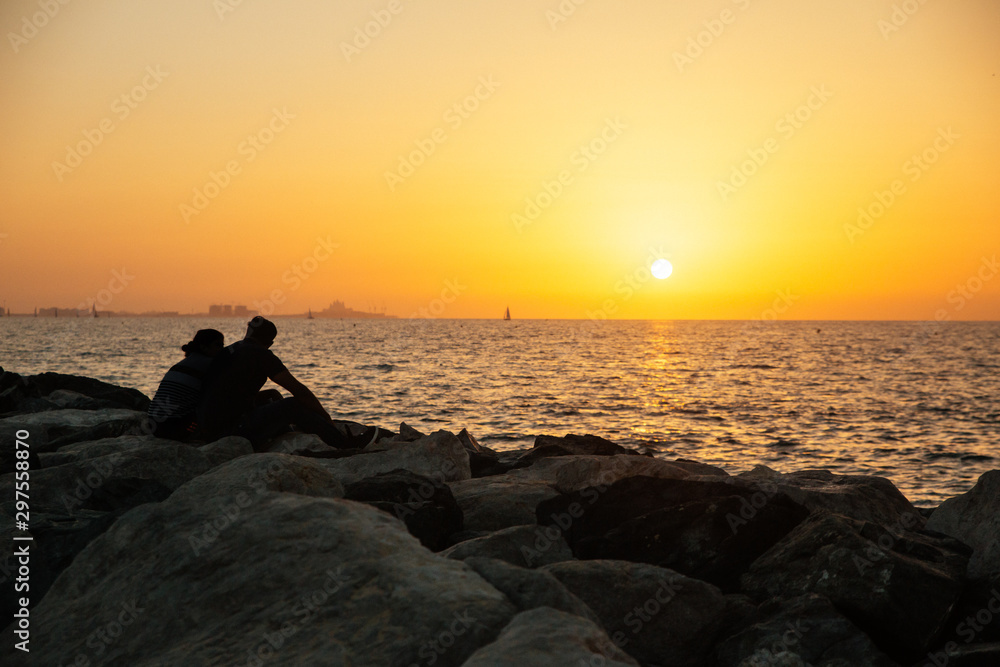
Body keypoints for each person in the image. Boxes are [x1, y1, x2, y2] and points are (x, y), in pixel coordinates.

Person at [197, 316, 377, 450]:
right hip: (230, 431)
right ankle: (344, 444)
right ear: (270, 342)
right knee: (292, 405)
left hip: (208, 427)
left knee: (273, 396)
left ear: (248, 332)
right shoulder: (261, 354)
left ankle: (285, 428)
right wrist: (327, 418)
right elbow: (299, 392)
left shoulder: (230, 350)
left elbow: (227, 393)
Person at [147, 329, 225, 441]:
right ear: (204, 347)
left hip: (154, 424)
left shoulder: (182, 364)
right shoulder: (209, 364)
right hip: (176, 427)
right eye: (218, 345)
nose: (222, 350)